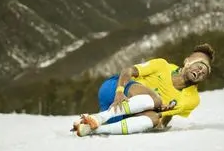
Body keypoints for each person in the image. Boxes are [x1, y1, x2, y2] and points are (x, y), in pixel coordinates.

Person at [73, 43, 215, 137]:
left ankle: (94, 128)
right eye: (199, 64)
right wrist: (120, 92)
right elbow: (128, 70)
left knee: (154, 117)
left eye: (206, 70)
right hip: (114, 90)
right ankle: (100, 118)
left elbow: (170, 112)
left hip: (124, 112)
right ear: (187, 61)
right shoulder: (162, 65)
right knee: (156, 99)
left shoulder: (192, 99)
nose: (201, 70)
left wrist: (161, 124)